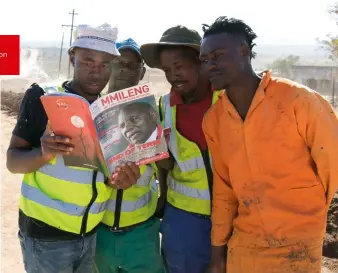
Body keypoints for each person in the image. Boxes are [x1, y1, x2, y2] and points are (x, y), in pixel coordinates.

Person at [200, 16, 338, 273]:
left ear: (244, 52)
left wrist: (309, 214)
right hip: (247, 244)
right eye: (205, 60)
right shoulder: (214, 120)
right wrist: (218, 254)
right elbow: (224, 189)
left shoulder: (297, 99)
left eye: (217, 56)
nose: (210, 65)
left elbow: (332, 163)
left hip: (299, 245)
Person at [6, 24, 140, 273]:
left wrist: (120, 180)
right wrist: (42, 154)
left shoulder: (110, 111)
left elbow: (102, 174)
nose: (96, 72)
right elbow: (13, 162)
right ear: (72, 58)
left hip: (90, 235)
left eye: (104, 64)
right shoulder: (42, 98)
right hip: (46, 237)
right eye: (88, 61)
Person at [140, 26, 223, 273]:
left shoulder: (227, 99)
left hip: (232, 218)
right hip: (184, 222)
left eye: (179, 66)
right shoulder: (165, 105)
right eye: (167, 70)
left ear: (201, 62)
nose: (173, 75)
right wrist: (162, 198)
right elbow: (166, 163)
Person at [95, 38, 165, 273]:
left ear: (142, 72)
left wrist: (157, 143)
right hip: (98, 232)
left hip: (141, 233)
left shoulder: (155, 113)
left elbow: (167, 167)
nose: (125, 68)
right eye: (118, 62)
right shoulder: (91, 112)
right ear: (109, 65)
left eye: (132, 65)